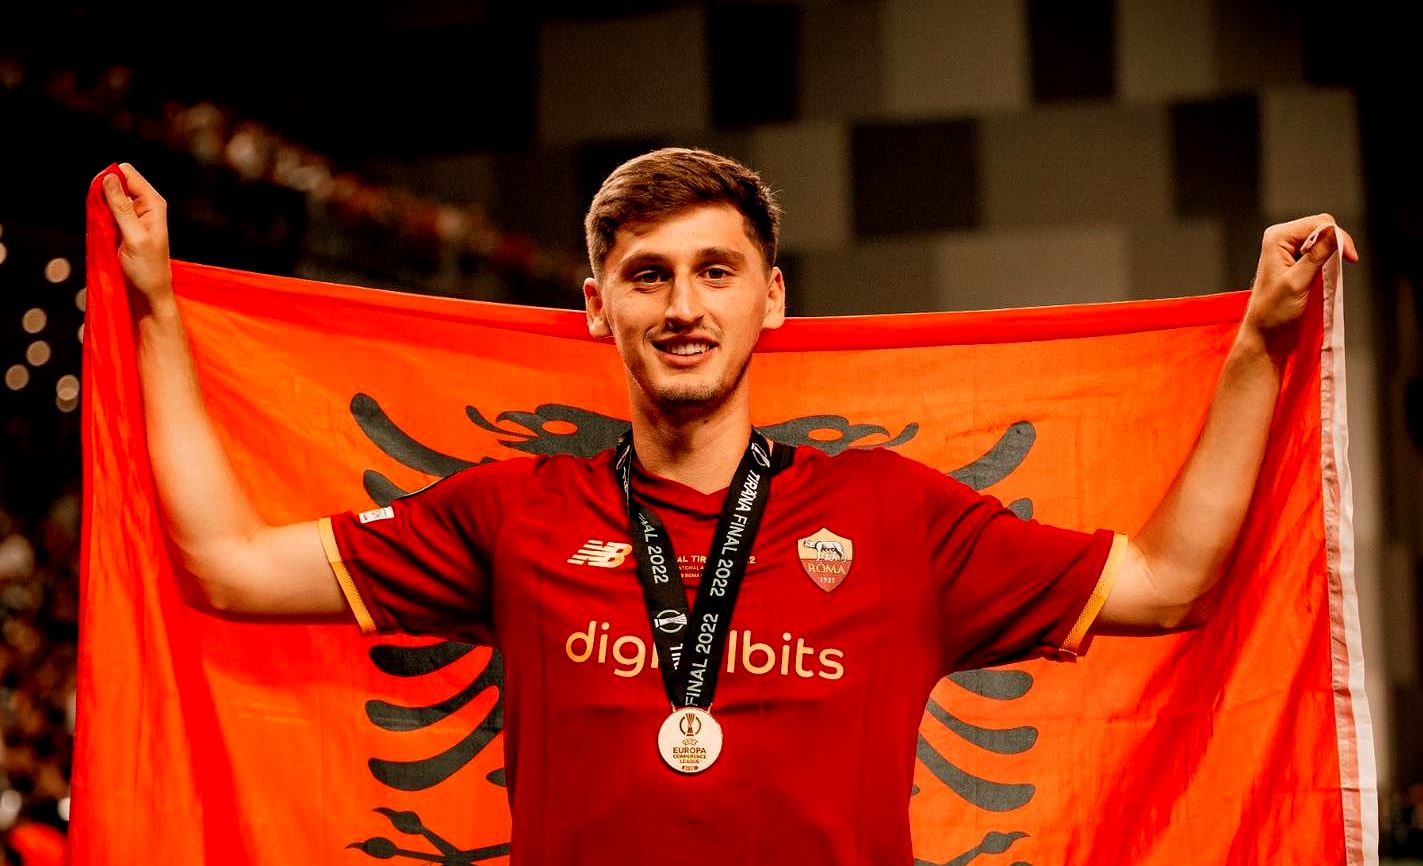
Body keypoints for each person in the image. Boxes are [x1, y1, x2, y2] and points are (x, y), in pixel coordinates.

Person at [100, 148, 1357, 864]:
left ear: (773, 299)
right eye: (646, 276)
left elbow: (1168, 582)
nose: (683, 306)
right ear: (596, 306)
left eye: (715, 270)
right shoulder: (509, 512)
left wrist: (1256, 344)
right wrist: (156, 308)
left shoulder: (894, 514)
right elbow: (226, 566)